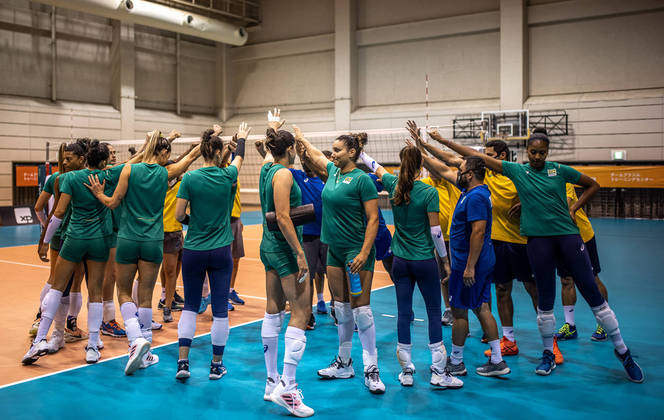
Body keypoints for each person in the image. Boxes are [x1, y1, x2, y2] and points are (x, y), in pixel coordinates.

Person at [437, 128, 644, 382]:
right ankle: (548, 353)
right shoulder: (518, 171)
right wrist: (444, 141)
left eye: (541, 153)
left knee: (592, 293)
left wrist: (574, 207)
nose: (537, 157)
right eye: (533, 152)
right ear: (527, 152)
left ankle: (623, 352)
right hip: (537, 242)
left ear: (548, 152)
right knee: (544, 301)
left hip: (567, 237)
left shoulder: (559, 170)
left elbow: (593, 185)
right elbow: (477, 157)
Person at [85, 129, 200, 375]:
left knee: (124, 292)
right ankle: (145, 352)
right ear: (163, 153)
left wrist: (98, 194)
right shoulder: (164, 172)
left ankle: (135, 339)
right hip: (152, 240)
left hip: (126, 238)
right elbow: (188, 160)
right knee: (146, 295)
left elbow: (113, 202)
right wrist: (205, 144)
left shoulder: (128, 170)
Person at [359, 145, 463, 389]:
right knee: (434, 312)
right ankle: (438, 372)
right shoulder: (428, 192)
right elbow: (436, 232)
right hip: (424, 261)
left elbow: (375, 166)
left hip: (401, 262)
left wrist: (361, 153)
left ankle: (406, 371)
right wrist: (445, 261)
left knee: (404, 314)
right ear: (421, 166)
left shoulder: (394, 186)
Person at [296, 126, 385, 394]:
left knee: (361, 310)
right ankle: (344, 363)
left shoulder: (362, 180)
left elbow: (373, 219)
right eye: (332, 150)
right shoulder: (332, 172)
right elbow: (314, 155)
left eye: (337, 150)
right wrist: (300, 137)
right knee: (342, 308)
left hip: (355, 253)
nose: (332, 154)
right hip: (333, 250)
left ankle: (372, 369)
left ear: (352, 153)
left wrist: (364, 252)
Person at [22, 141, 113, 364]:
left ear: (84, 159)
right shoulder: (108, 176)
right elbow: (134, 164)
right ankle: (92, 345)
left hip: (73, 239)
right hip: (99, 240)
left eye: (69, 157)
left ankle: (40, 339)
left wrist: (45, 239)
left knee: (57, 287)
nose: (64, 161)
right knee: (95, 292)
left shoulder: (68, 179)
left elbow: (59, 212)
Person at [174, 123, 248, 381]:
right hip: (220, 251)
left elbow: (179, 214)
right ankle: (216, 365)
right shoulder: (228, 176)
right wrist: (242, 140)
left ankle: (183, 363)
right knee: (219, 309)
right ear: (218, 153)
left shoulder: (190, 179)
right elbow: (239, 158)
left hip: (194, 249)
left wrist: (193, 223)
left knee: (190, 307)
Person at [257, 111, 313, 417]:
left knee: (273, 309)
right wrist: (300, 253)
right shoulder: (284, 174)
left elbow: (268, 151)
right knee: (301, 312)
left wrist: (273, 127)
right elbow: (282, 216)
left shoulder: (267, 169)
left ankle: (270, 382)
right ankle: (288, 389)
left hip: (268, 248)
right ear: (290, 150)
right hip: (283, 250)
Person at [555, 183, 609, 342]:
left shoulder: (563, 182)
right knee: (566, 281)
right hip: (560, 237)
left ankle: (604, 323)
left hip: (582, 236)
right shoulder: (540, 183)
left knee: (592, 278)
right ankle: (570, 326)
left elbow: (564, 206)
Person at [100, 143, 126, 338]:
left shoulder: (113, 173)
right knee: (111, 275)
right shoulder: (107, 174)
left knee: (111, 275)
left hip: (116, 230)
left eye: (115, 152)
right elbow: (134, 162)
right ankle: (107, 321)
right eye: (111, 153)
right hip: (108, 231)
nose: (114, 156)